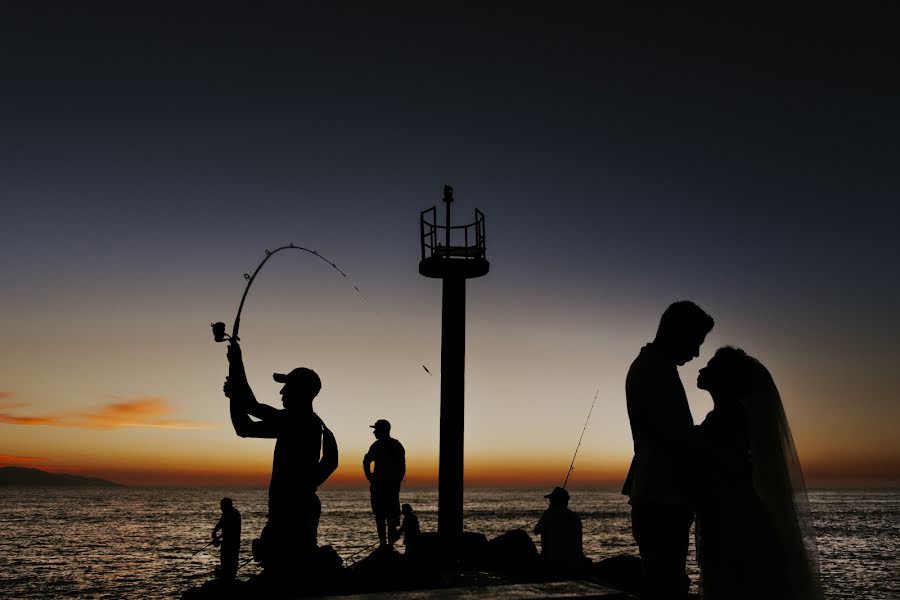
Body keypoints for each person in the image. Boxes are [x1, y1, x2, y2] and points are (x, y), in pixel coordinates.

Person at [695, 347, 824, 600]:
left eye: (710, 366)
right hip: (737, 510)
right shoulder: (732, 414)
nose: (701, 369)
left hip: (731, 515)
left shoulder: (727, 416)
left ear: (725, 378)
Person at [622, 300, 714, 600]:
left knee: (664, 575)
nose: (697, 353)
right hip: (662, 492)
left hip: (657, 490)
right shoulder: (655, 370)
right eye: (695, 341)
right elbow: (676, 437)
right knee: (666, 581)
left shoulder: (653, 366)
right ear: (675, 332)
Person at [223, 342, 338, 573]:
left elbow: (250, 406)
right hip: (292, 509)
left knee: (286, 571)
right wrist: (234, 394)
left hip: (292, 513)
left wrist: (236, 363)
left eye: (287, 387)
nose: (282, 392)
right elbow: (244, 427)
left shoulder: (297, 422)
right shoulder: (303, 423)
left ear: (301, 392)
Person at [363, 419, 406, 548]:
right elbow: (402, 468)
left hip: (382, 487)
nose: (374, 432)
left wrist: (370, 477)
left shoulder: (378, 446)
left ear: (383, 430)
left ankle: (385, 545)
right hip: (387, 487)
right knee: (387, 516)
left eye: (376, 430)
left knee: (382, 516)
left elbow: (366, 461)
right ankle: (387, 545)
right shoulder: (395, 445)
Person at [534, 487, 589, 574]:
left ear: (556, 501)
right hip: (575, 559)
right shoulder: (574, 517)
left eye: (551, 500)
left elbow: (536, 531)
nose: (550, 502)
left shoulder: (549, 514)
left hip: (553, 561)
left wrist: (547, 515)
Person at [212, 497, 241, 582]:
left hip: (233, 543)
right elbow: (221, 523)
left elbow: (230, 530)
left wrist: (218, 537)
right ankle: (225, 577)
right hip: (226, 543)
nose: (221, 509)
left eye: (222, 507)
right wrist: (214, 531)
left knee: (231, 561)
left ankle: (228, 579)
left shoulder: (234, 513)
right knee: (225, 561)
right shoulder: (226, 513)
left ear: (226, 506)